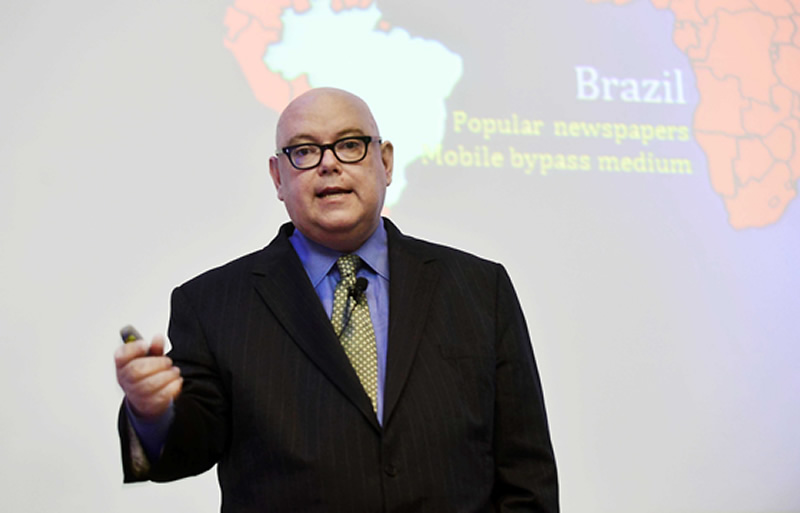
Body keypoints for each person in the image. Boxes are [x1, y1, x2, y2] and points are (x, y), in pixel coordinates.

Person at [115, 87, 559, 512]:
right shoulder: (213, 303)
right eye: (304, 151)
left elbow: (526, 471)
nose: (329, 164)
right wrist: (151, 413)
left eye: (349, 145)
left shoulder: (478, 287)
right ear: (278, 177)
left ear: (385, 162)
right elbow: (186, 450)